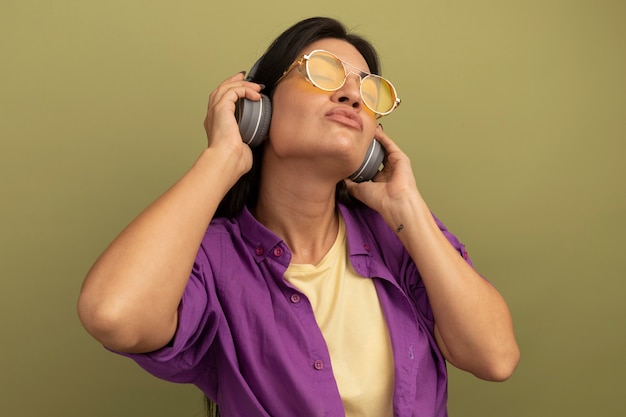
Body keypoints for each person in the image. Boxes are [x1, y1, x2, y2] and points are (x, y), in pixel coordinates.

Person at [77, 16, 519, 417]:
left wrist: (407, 207)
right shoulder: (212, 258)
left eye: (370, 90)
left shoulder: (400, 236)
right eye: (323, 71)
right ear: (259, 109)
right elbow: (115, 316)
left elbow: (495, 358)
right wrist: (222, 156)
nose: (351, 94)